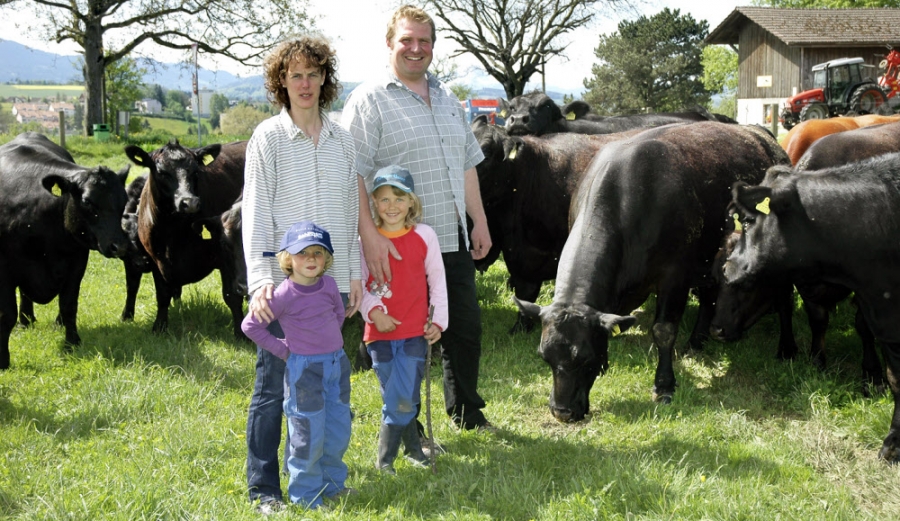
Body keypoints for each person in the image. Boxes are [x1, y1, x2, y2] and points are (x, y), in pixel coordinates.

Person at [342, 4, 494, 434]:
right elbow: (351, 172)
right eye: (406, 40)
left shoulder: (447, 97)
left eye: (424, 41)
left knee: (462, 328)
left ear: (433, 47)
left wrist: (478, 220)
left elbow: (466, 164)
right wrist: (369, 235)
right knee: (403, 336)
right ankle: (408, 426)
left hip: (450, 237)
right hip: (398, 243)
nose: (416, 48)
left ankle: (466, 409)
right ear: (389, 44)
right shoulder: (368, 100)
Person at [242, 35, 361, 514]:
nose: (305, 83)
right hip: (281, 287)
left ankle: (322, 477)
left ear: (325, 80)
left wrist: (350, 276)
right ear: (281, 83)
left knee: (324, 391)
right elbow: (255, 214)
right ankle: (264, 487)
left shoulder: (343, 141)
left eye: (313, 73)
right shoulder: (268, 138)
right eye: (295, 75)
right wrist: (258, 281)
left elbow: (351, 214)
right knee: (274, 386)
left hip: (328, 289)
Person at [242, 222, 351, 510]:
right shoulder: (282, 295)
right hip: (305, 372)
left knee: (337, 427)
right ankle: (306, 494)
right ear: (288, 259)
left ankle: (332, 484)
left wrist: (330, 340)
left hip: (336, 364)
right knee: (308, 432)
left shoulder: (329, 285)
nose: (311, 259)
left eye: (318, 252)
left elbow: (338, 313)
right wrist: (284, 350)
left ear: (327, 258)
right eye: (302, 253)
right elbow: (250, 325)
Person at [359, 165, 448, 474]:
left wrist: (437, 322)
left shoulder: (425, 236)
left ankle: (386, 461)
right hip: (378, 336)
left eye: (399, 197)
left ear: (412, 201)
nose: (392, 206)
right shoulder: (365, 241)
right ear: (373, 202)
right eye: (384, 199)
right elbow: (359, 283)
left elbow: (437, 281)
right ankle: (412, 450)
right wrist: (374, 312)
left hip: (413, 332)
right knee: (399, 396)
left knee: (402, 397)